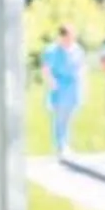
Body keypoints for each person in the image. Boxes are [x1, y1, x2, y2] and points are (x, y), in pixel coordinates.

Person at [39, 24, 85, 161]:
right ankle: (61, 145)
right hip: (60, 87)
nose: (70, 40)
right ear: (62, 36)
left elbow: (81, 66)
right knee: (60, 117)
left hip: (73, 87)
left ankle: (67, 144)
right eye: (68, 37)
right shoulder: (52, 51)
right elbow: (46, 68)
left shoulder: (77, 49)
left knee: (69, 116)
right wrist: (51, 82)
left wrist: (82, 82)